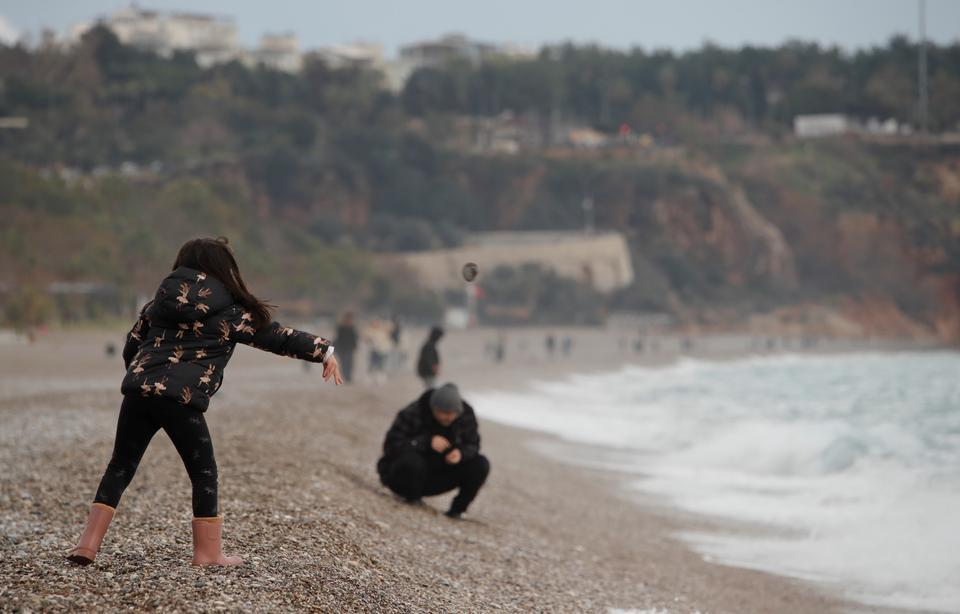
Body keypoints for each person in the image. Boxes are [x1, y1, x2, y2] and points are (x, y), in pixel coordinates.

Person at [67, 237, 342, 568]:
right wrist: (324, 350)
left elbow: (132, 345)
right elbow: (276, 337)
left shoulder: (158, 303)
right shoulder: (228, 311)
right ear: (223, 268)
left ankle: (88, 544)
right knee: (203, 472)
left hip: (138, 392)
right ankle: (208, 554)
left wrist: (142, 376)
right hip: (181, 400)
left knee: (120, 466)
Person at [377, 383, 490, 519]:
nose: (448, 417)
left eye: (452, 414)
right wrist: (426, 442)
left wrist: (460, 453)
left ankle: (457, 511)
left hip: (438, 475)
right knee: (412, 461)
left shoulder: (466, 415)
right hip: (403, 476)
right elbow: (391, 445)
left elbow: (473, 445)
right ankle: (412, 498)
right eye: (444, 413)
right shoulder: (413, 412)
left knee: (481, 464)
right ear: (433, 408)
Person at [333, 312, 359, 383]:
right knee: (344, 363)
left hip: (349, 348)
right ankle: (345, 376)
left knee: (350, 363)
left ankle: (348, 376)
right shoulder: (341, 327)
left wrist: (355, 346)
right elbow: (338, 338)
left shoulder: (352, 327)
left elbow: (355, 338)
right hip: (342, 348)